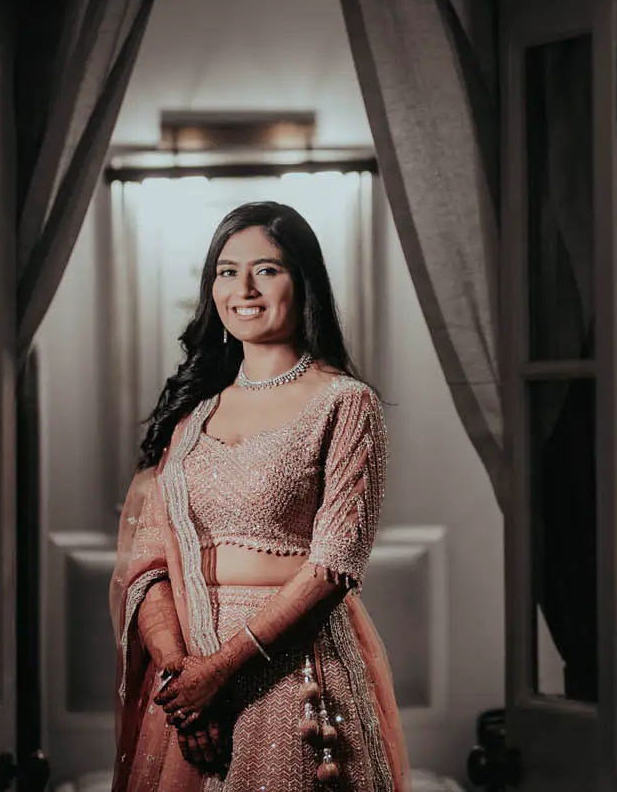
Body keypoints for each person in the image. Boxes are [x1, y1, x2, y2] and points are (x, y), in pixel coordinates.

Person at [110, 201, 409, 792]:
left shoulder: (346, 404)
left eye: (266, 270)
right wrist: (179, 678)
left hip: (294, 672)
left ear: (304, 283)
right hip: (188, 672)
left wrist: (219, 672)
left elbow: (333, 567)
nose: (243, 289)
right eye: (227, 271)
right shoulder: (192, 417)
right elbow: (148, 567)